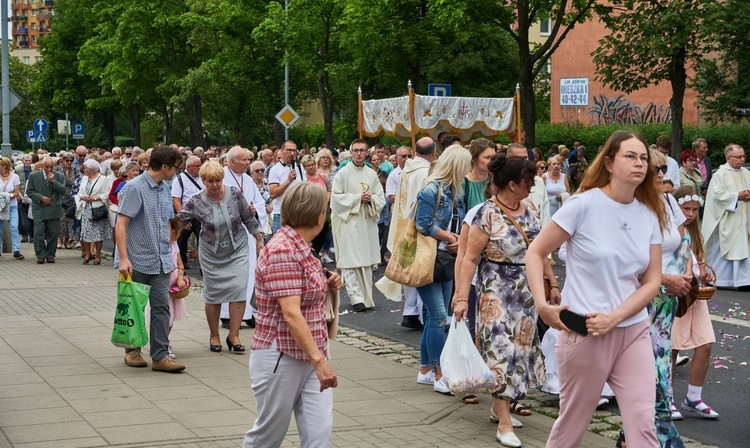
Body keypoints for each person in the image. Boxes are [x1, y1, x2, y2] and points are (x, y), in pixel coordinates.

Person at [526, 131, 666, 447]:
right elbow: (535, 252)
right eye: (630, 156)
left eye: (644, 157)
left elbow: (652, 281)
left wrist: (616, 317)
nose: (639, 163)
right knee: (573, 424)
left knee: (643, 424)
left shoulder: (649, 213)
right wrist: (542, 305)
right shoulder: (582, 205)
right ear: (609, 163)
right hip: (584, 330)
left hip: (632, 331)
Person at [453, 154, 558, 447]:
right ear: (513, 184)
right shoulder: (485, 214)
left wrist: (552, 283)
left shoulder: (531, 209)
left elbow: (541, 250)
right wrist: (461, 297)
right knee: (500, 354)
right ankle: (504, 421)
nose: (534, 184)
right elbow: (470, 259)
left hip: (526, 292)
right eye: (529, 180)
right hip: (496, 293)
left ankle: (497, 405)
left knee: (520, 353)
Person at [243, 182, 342, 448]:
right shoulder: (283, 249)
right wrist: (320, 362)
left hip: (309, 353)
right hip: (281, 355)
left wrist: (327, 279)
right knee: (268, 436)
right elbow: (290, 314)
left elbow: (302, 282)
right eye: (325, 209)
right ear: (318, 215)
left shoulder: (300, 244)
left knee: (319, 436)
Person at [116, 144, 186, 373]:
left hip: (162, 259)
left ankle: (160, 356)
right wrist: (124, 258)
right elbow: (121, 224)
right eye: (175, 166)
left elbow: (167, 221)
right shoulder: (134, 188)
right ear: (164, 166)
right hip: (138, 259)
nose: (177, 170)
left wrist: (173, 253)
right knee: (134, 307)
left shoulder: (165, 187)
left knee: (161, 308)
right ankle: (132, 351)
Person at [179, 161, 263, 352]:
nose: (215, 184)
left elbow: (248, 218)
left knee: (239, 288)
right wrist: (168, 237)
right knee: (213, 293)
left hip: (237, 248)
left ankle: (234, 335)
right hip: (211, 252)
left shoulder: (234, 194)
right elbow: (179, 221)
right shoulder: (195, 201)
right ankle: (214, 335)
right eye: (210, 181)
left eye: (218, 180)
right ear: (203, 181)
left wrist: (259, 240)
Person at [414, 145, 470, 395]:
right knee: (437, 317)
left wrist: (454, 240)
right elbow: (422, 224)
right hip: (428, 257)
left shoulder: (454, 190)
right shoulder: (432, 189)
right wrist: (450, 236)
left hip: (445, 258)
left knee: (433, 316)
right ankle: (439, 373)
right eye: (466, 165)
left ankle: (425, 369)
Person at [669, 186, 719, 421]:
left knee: (705, 344)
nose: (690, 214)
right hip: (677, 294)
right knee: (672, 348)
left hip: (696, 297)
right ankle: (666, 397)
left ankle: (693, 397)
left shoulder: (695, 234)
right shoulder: (671, 231)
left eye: (694, 210)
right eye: (685, 208)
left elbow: (699, 263)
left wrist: (704, 274)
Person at [331, 139, 385, 312]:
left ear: (367, 152)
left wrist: (371, 200)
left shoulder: (371, 174)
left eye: (362, 150)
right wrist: (357, 198)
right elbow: (335, 199)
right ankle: (356, 298)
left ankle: (366, 297)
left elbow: (380, 198)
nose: (359, 153)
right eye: (356, 150)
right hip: (349, 221)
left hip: (367, 221)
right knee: (351, 260)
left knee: (366, 261)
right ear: (351, 152)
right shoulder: (343, 173)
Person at [388, 139, 434, 329]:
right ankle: (423, 315)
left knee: (408, 265)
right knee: (421, 267)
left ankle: (410, 311)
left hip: (402, 222)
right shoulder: (426, 172)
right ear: (434, 152)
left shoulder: (405, 170)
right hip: (420, 223)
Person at [220, 147, 267, 329]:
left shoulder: (248, 180)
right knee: (230, 274)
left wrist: (255, 210)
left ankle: (246, 313)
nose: (249, 163)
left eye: (249, 160)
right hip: (228, 234)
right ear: (232, 162)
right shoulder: (221, 177)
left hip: (246, 234)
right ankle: (226, 315)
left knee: (248, 272)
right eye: (245, 160)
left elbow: (259, 202)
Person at [701, 144, 750, 289]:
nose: (742, 160)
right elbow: (717, 196)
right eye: (738, 157)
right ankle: (721, 280)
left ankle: (744, 281)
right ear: (728, 158)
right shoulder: (720, 175)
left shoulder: (746, 173)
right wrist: (737, 196)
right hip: (727, 219)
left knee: (744, 249)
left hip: (744, 218)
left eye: (743, 156)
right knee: (726, 249)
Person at [145, 216, 188, 359]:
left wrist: (180, 278)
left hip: (173, 289)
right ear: (173, 232)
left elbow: (180, 264)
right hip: (162, 287)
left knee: (171, 317)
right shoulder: (160, 245)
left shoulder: (175, 246)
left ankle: (165, 340)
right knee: (163, 316)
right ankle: (161, 343)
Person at [26, 157, 66, 264]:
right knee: (38, 232)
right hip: (39, 208)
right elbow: (29, 191)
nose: (49, 169)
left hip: (53, 208)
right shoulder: (33, 176)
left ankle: (50, 255)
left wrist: (54, 181)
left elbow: (63, 190)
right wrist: (41, 197)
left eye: (51, 167)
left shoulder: (59, 176)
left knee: (53, 233)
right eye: (47, 167)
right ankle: (40, 254)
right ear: (43, 166)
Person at [172, 156, 204, 269]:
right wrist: (183, 219)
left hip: (200, 215)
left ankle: (203, 265)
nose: (200, 168)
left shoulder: (202, 178)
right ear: (189, 167)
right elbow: (176, 200)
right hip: (186, 213)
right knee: (181, 241)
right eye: (197, 166)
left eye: (200, 165)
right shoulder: (179, 179)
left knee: (203, 240)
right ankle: (181, 265)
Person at [77, 159, 111, 265]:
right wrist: (82, 197)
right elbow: (79, 192)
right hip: (85, 208)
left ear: (92, 170)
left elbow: (106, 194)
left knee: (97, 233)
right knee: (85, 232)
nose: (84, 170)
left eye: (86, 168)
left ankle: (98, 255)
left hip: (97, 209)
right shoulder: (84, 178)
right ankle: (88, 254)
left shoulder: (103, 179)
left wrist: (94, 198)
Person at [268, 140, 302, 232]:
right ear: (282, 151)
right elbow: (273, 193)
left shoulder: (299, 167)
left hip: (298, 213)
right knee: (281, 244)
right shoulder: (275, 170)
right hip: (282, 214)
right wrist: (288, 181)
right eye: (289, 150)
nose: (292, 153)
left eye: (294, 151)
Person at [0, 157, 24, 260]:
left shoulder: (14, 177)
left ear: (4, 166)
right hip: (0, 206)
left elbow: (16, 192)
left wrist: (6, 196)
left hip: (12, 205)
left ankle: (16, 250)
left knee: (14, 227)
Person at [14, 154, 34, 242]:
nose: (28, 162)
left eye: (29, 161)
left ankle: (32, 235)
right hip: (20, 195)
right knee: (22, 217)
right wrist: (21, 197)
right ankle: (24, 235)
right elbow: (15, 184)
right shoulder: (18, 170)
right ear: (23, 161)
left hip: (32, 197)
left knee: (32, 217)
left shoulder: (34, 169)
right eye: (26, 161)